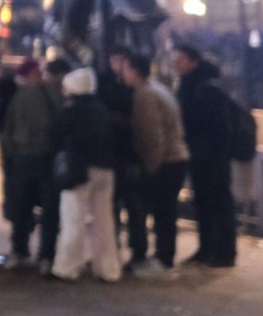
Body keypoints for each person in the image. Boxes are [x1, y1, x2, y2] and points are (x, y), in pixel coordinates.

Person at [48, 68, 123, 283]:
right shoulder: (101, 109)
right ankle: (109, 269)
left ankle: (67, 267)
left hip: (79, 170)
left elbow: (53, 133)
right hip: (106, 170)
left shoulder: (72, 109)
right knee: (104, 221)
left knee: (73, 219)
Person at [121, 51, 188, 277]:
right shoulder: (158, 89)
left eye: (126, 68)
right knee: (166, 212)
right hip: (175, 158)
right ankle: (164, 256)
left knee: (163, 212)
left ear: (135, 71)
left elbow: (150, 135)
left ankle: (163, 259)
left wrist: (151, 166)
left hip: (165, 161)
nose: (123, 73)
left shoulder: (144, 95)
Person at [172, 44, 239, 268]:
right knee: (202, 202)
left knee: (218, 202)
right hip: (199, 156)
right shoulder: (189, 85)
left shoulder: (207, 88)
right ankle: (207, 248)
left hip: (212, 158)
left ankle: (224, 252)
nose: (176, 65)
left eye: (181, 61)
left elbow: (222, 128)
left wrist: (217, 157)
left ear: (193, 62)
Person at [0, 59, 63, 272]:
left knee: (22, 206)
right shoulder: (56, 95)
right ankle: (47, 255)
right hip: (48, 158)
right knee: (50, 210)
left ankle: (19, 250)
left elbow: (6, 129)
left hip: (23, 158)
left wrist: (11, 153)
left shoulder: (20, 97)